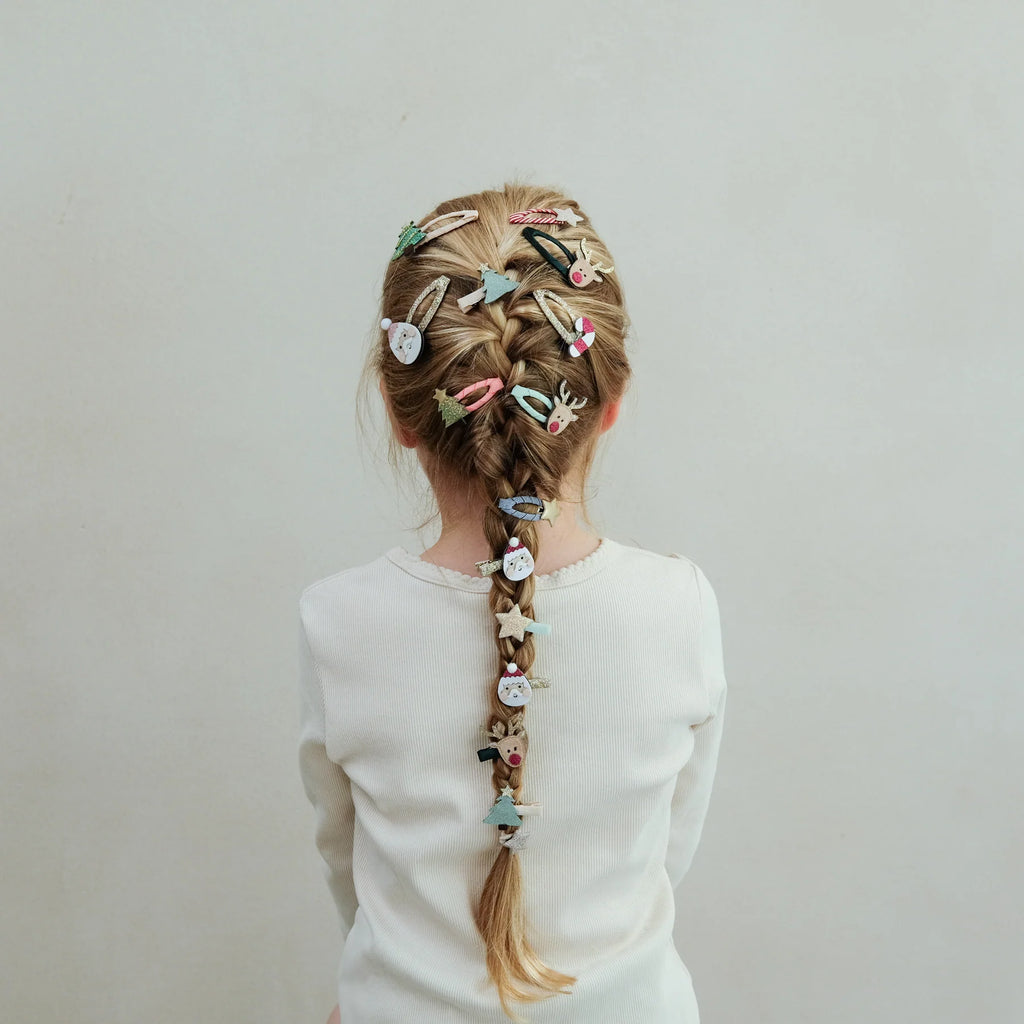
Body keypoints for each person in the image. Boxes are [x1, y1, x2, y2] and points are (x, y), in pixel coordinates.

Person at [297, 184, 728, 1024]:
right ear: (610, 403)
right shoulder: (679, 607)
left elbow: (348, 870)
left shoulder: (337, 623)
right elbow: (663, 857)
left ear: (400, 411)